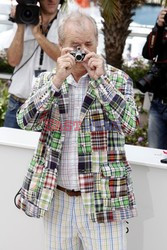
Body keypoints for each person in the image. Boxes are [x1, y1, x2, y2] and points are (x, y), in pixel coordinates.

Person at [16, 11, 139, 250]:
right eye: (75, 45)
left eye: (88, 44)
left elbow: (130, 125)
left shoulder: (117, 79)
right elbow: (25, 121)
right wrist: (58, 79)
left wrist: (101, 81)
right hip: (57, 199)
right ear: (61, 46)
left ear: (97, 43)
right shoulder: (47, 81)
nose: (82, 50)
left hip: (104, 197)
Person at [4, 0, 64, 129]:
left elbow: (62, 56)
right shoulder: (24, 16)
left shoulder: (65, 22)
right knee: (10, 148)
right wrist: (20, 25)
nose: (51, 0)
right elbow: (13, 60)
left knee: (42, 149)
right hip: (18, 103)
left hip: (48, 106)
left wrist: (38, 35)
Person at [141, 8, 167, 149]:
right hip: (158, 105)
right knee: (154, 155)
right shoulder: (163, 32)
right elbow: (148, 53)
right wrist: (159, 26)